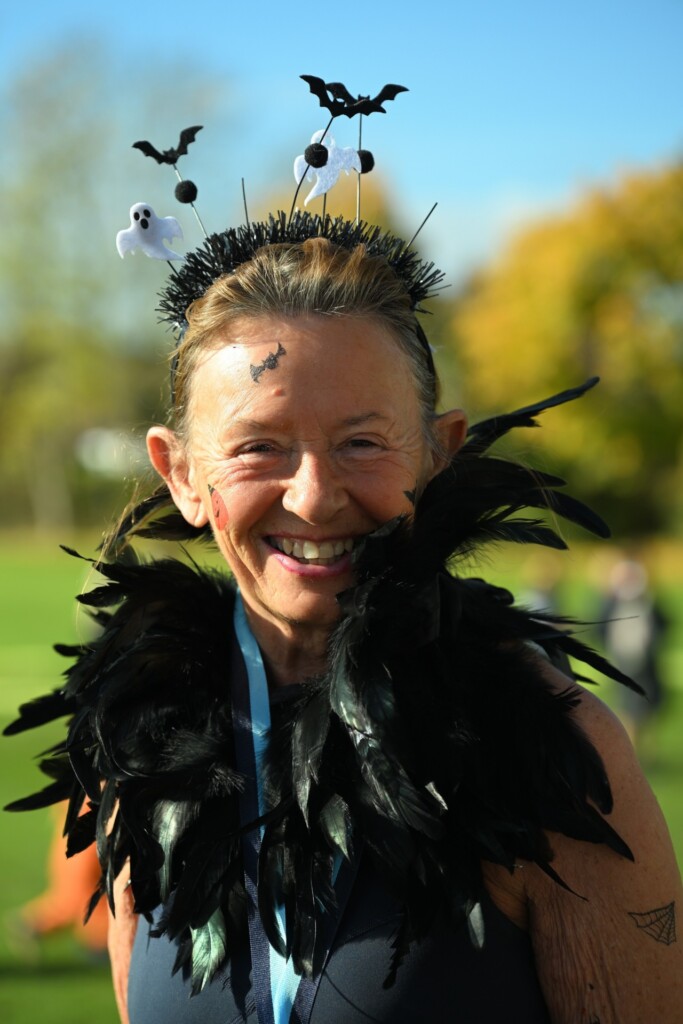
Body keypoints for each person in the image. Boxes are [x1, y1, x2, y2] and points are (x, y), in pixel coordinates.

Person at [4, 78, 682, 1024]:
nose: (314, 495)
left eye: (364, 441)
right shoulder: (140, 758)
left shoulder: (548, 750)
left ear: (438, 455)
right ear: (181, 475)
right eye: (256, 447)